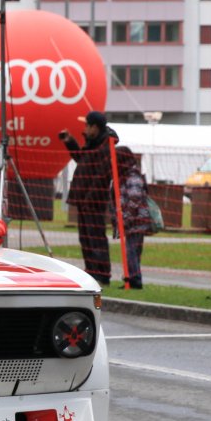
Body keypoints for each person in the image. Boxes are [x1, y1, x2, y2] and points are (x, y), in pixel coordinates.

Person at [59, 111, 119, 285]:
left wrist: (90, 197)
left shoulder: (105, 146)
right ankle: (91, 270)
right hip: (84, 198)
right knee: (85, 237)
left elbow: (101, 176)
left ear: (95, 127)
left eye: (87, 125)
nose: (85, 129)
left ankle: (102, 273)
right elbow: (82, 160)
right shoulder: (93, 143)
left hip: (94, 200)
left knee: (95, 236)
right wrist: (70, 142)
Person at [114, 146, 152, 289]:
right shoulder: (126, 175)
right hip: (132, 220)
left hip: (136, 220)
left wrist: (126, 216)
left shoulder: (132, 176)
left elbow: (135, 198)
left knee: (131, 251)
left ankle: (134, 279)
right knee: (132, 250)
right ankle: (132, 277)